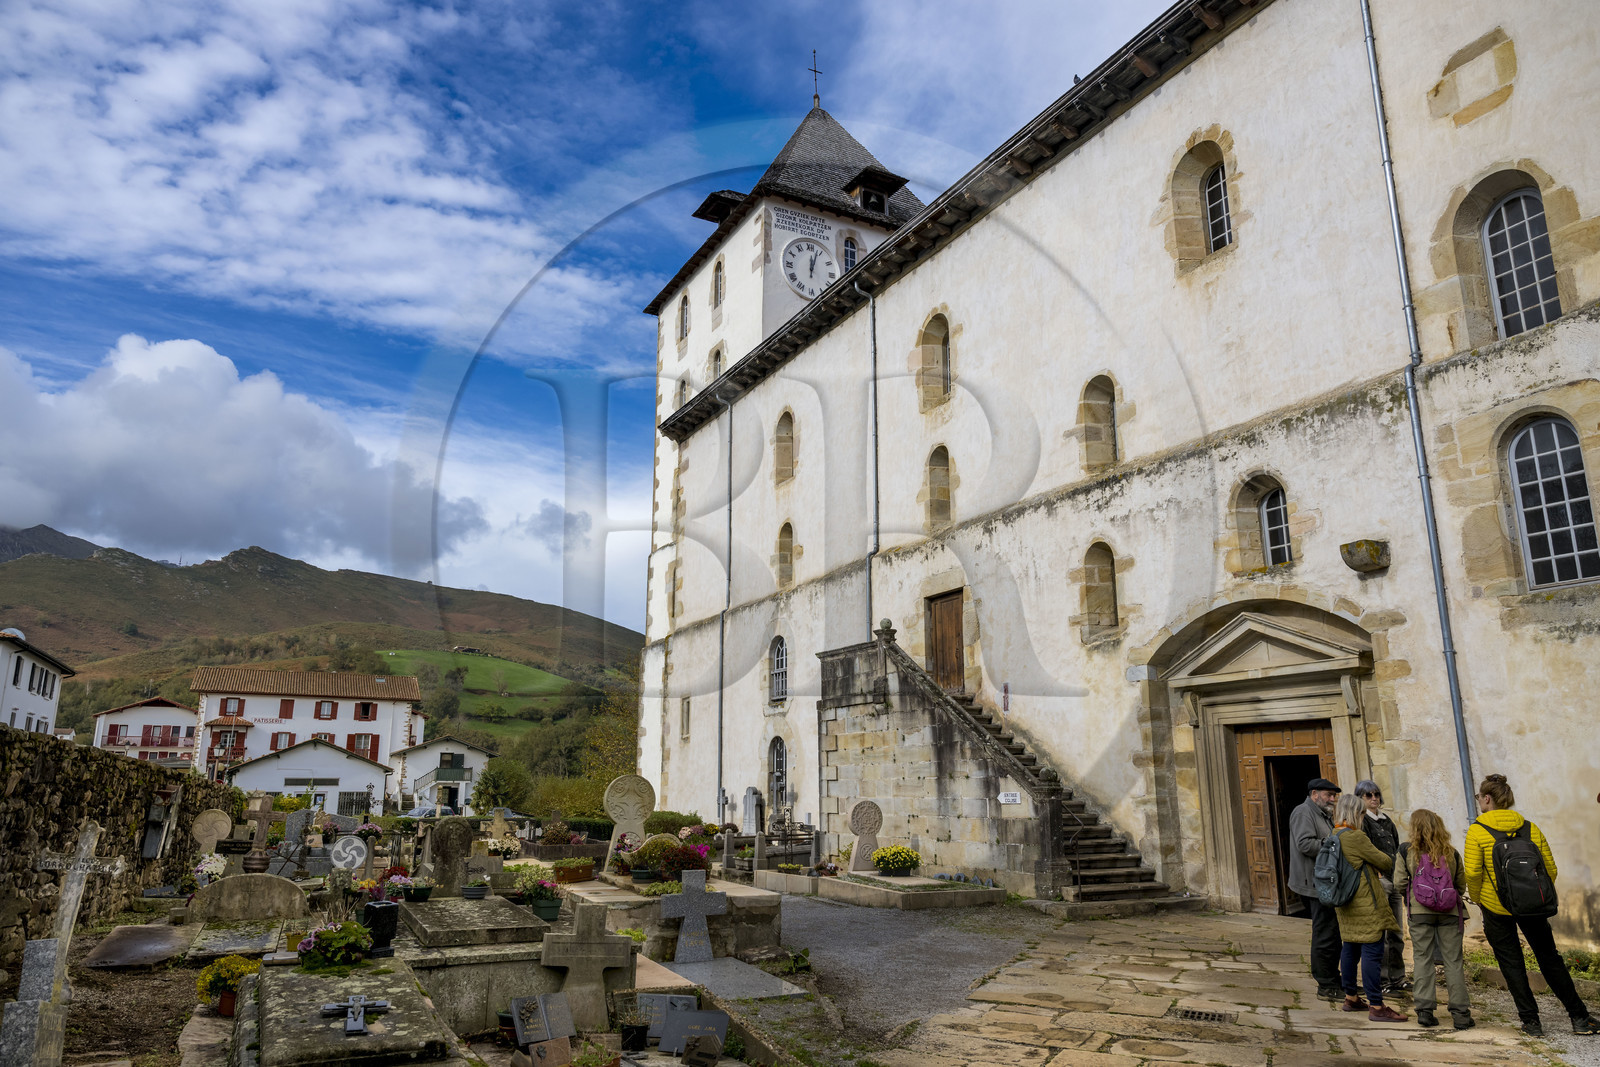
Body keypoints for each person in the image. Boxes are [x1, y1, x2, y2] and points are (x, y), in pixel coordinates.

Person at [1466, 774, 1599, 1038]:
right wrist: (1533, 895)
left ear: (1487, 798)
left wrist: (1480, 899)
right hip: (1531, 906)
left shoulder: (1477, 831)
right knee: (1549, 958)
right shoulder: (1530, 828)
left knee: (1511, 963)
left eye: (1479, 797)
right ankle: (1580, 1018)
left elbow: (1472, 873)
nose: (1479, 801)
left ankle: (1532, 1023)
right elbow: (1550, 869)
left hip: (1495, 907)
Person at [1331, 793, 1408, 1022]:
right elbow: (1385, 861)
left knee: (1350, 947)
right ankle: (1376, 1005)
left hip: (1345, 902)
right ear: (1356, 813)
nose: (1363, 816)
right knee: (1372, 950)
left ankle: (1351, 997)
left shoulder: (1334, 834)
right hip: (1364, 901)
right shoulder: (1356, 836)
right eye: (1362, 813)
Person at [1394, 808, 1473, 1029]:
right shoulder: (1451, 853)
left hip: (1420, 912)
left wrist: (1414, 898)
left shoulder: (1406, 851)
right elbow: (1460, 885)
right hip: (1450, 912)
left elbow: (1399, 882)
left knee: (1423, 958)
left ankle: (1425, 1012)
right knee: (1453, 961)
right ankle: (1461, 1015)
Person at [1354, 780, 1410, 993]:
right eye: (1368, 795)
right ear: (1360, 798)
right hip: (1379, 880)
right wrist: (1376, 874)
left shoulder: (1386, 820)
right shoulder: (1362, 821)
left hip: (1393, 878)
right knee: (1383, 933)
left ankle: (1398, 976)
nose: (1374, 798)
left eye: (1376, 794)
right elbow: (1365, 850)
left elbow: (1396, 848)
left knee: (1397, 931)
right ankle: (1383, 979)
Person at [1289, 777, 1342, 999]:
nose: (1332, 799)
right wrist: (1335, 844)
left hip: (1324, 883)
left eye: (1334, 795)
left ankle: (1334, 979)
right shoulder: (1303, 812)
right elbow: (1304, 844)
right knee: (1324, 935)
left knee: (1332, 933)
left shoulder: (1323, 814)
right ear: (1314, 794)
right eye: (1329, 795)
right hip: (1314, 884)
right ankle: (1326, 985)